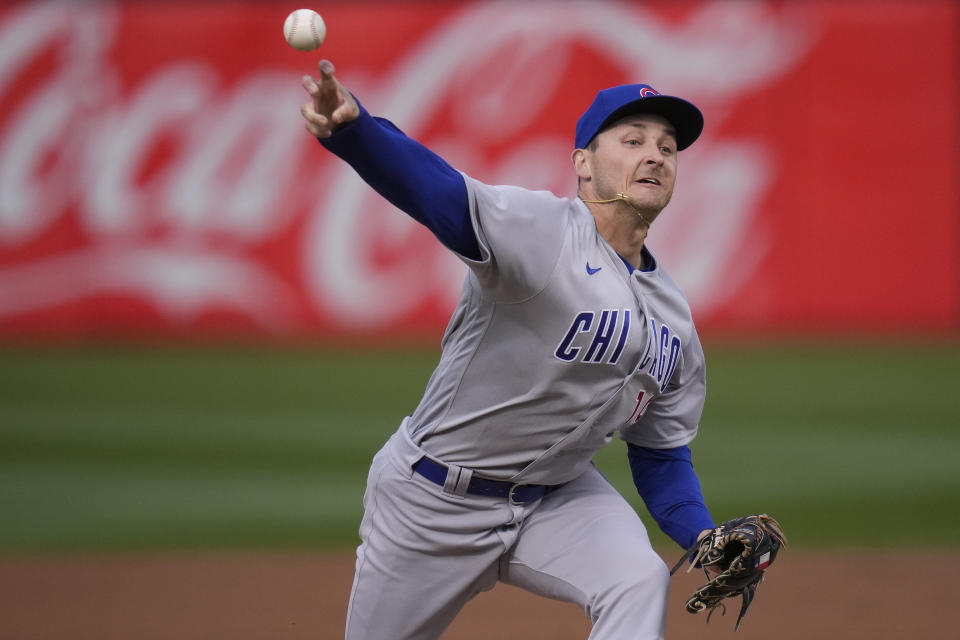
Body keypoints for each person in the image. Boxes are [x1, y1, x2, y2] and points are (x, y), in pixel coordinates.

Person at [301, 59, 717, 640]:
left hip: (557, 499)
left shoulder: (673, 316)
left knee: (638, 579)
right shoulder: (542, 232)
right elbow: (439, 194)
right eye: (632, 140)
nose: (655, 155)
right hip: (433, 500)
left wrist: (704, 535)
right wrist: (356, 132)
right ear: (582, 163)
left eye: (669, 148)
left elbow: (661, 455)